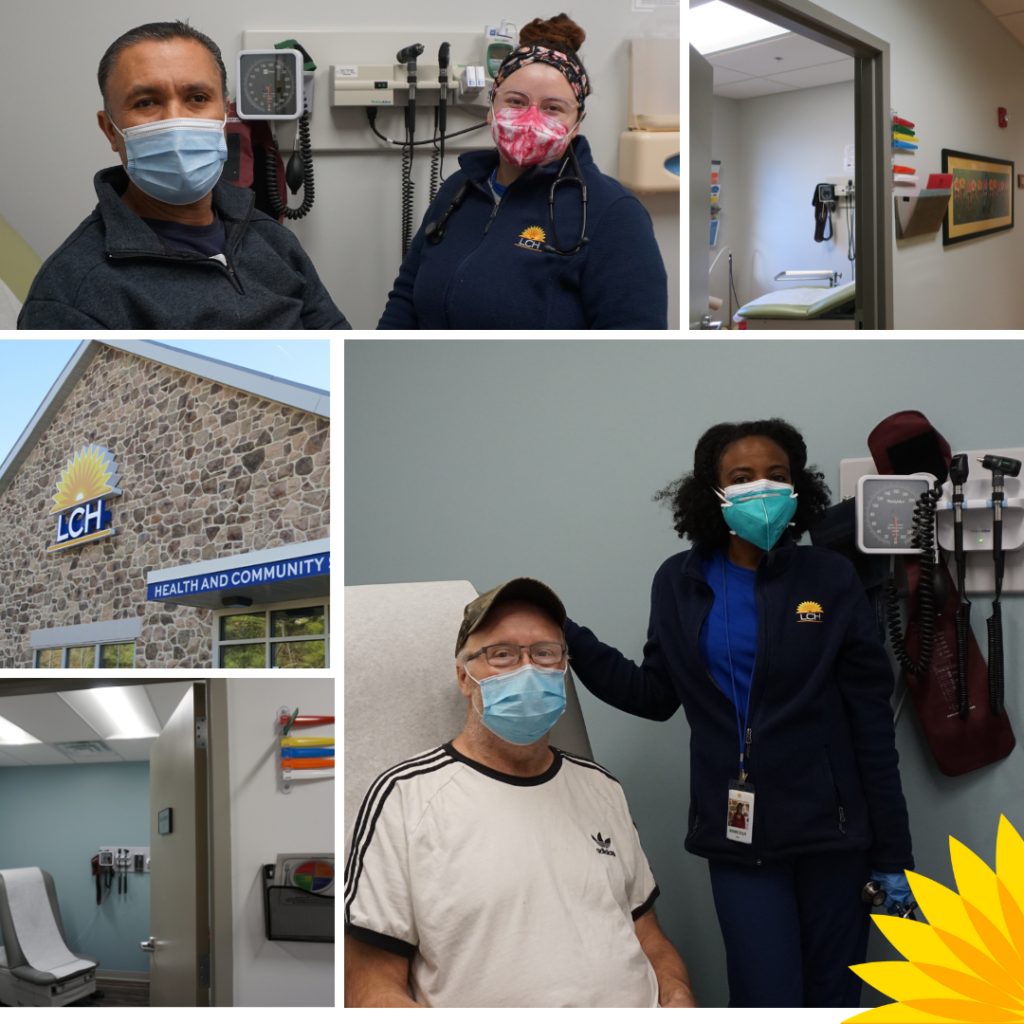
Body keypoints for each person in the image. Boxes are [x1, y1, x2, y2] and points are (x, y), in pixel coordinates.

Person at [563, 419, 916, 1008]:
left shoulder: (829, 576)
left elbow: (872, 724)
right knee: (764, 998)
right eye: (742, 477)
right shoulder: (679, 581)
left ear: (798, 488)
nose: (762, 488)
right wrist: (568, 636)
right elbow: (655, 695)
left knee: (833, 997)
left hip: (835, 834)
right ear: (713, 492)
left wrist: (894, 854)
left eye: (776, 476)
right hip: (738, 832)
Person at [344, 577, 696, 1008]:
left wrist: (678, 995)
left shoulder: (601, 789)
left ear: (564, 668)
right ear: (464, 677)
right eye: (503, 655)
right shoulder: (405, 799)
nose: (528, 669)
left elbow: (648, 937)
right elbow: (369, 985)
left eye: (545, 653)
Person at [18, 21, 350, 330]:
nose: (176, 122)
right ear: (110, 131)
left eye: (198, 98)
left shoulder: (271, 238)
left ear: (224, 113)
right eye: (146, 102)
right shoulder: (71, 295)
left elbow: (338, 350)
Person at [376, 15, 668, 330]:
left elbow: (634, 345)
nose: (531, 119)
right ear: (491, 107)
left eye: (553, 108)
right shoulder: (457, 190)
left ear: (576, 123)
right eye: (516, 101)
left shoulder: (613, 214)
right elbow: (406, 297)